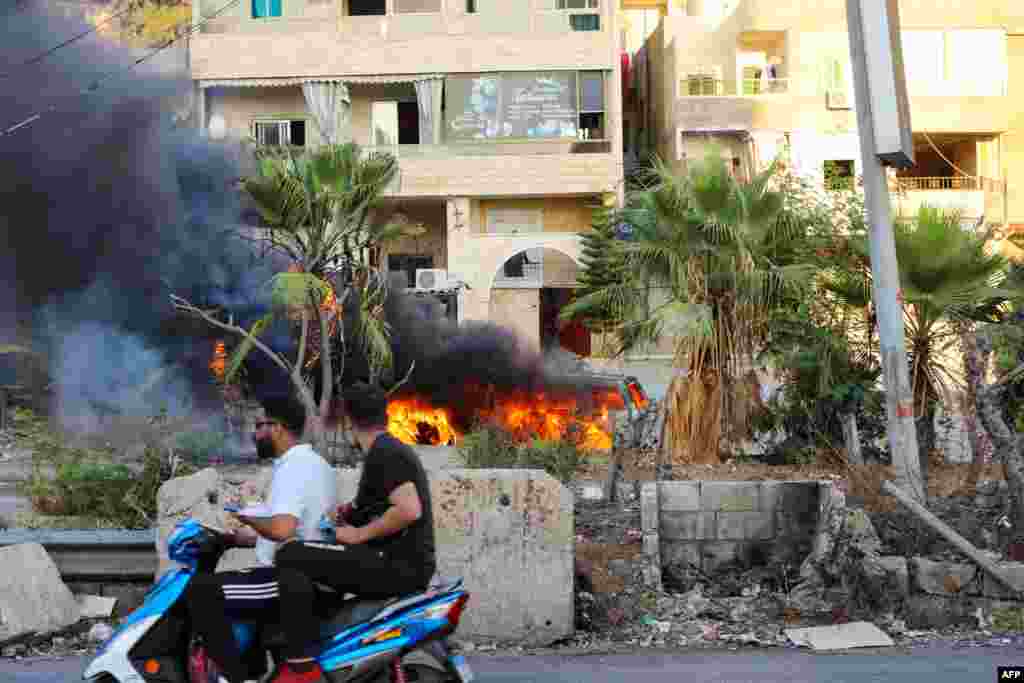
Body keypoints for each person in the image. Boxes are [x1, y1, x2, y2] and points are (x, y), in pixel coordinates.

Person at [273, 382, 437, 670]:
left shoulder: (385, 452)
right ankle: (329, 634)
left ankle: (300, 656)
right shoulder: (387, 450)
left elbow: (409, 510)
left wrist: (358, 535)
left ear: (348, 420)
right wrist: (349, 513)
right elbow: (379, 505)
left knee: (290, 553)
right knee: (319, 551)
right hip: (400, 563)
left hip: (396, 566)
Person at [184, 394, 337, 683]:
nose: (255, 435)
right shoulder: (314, 464)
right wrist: (230, 538)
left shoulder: (294, 469)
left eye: (258, 427)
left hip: (292, 581)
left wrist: (244, 515)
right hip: (308, 575)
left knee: (202, 592)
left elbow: (282, 530)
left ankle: (237, 678)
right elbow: (297, 528)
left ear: (277, 428)